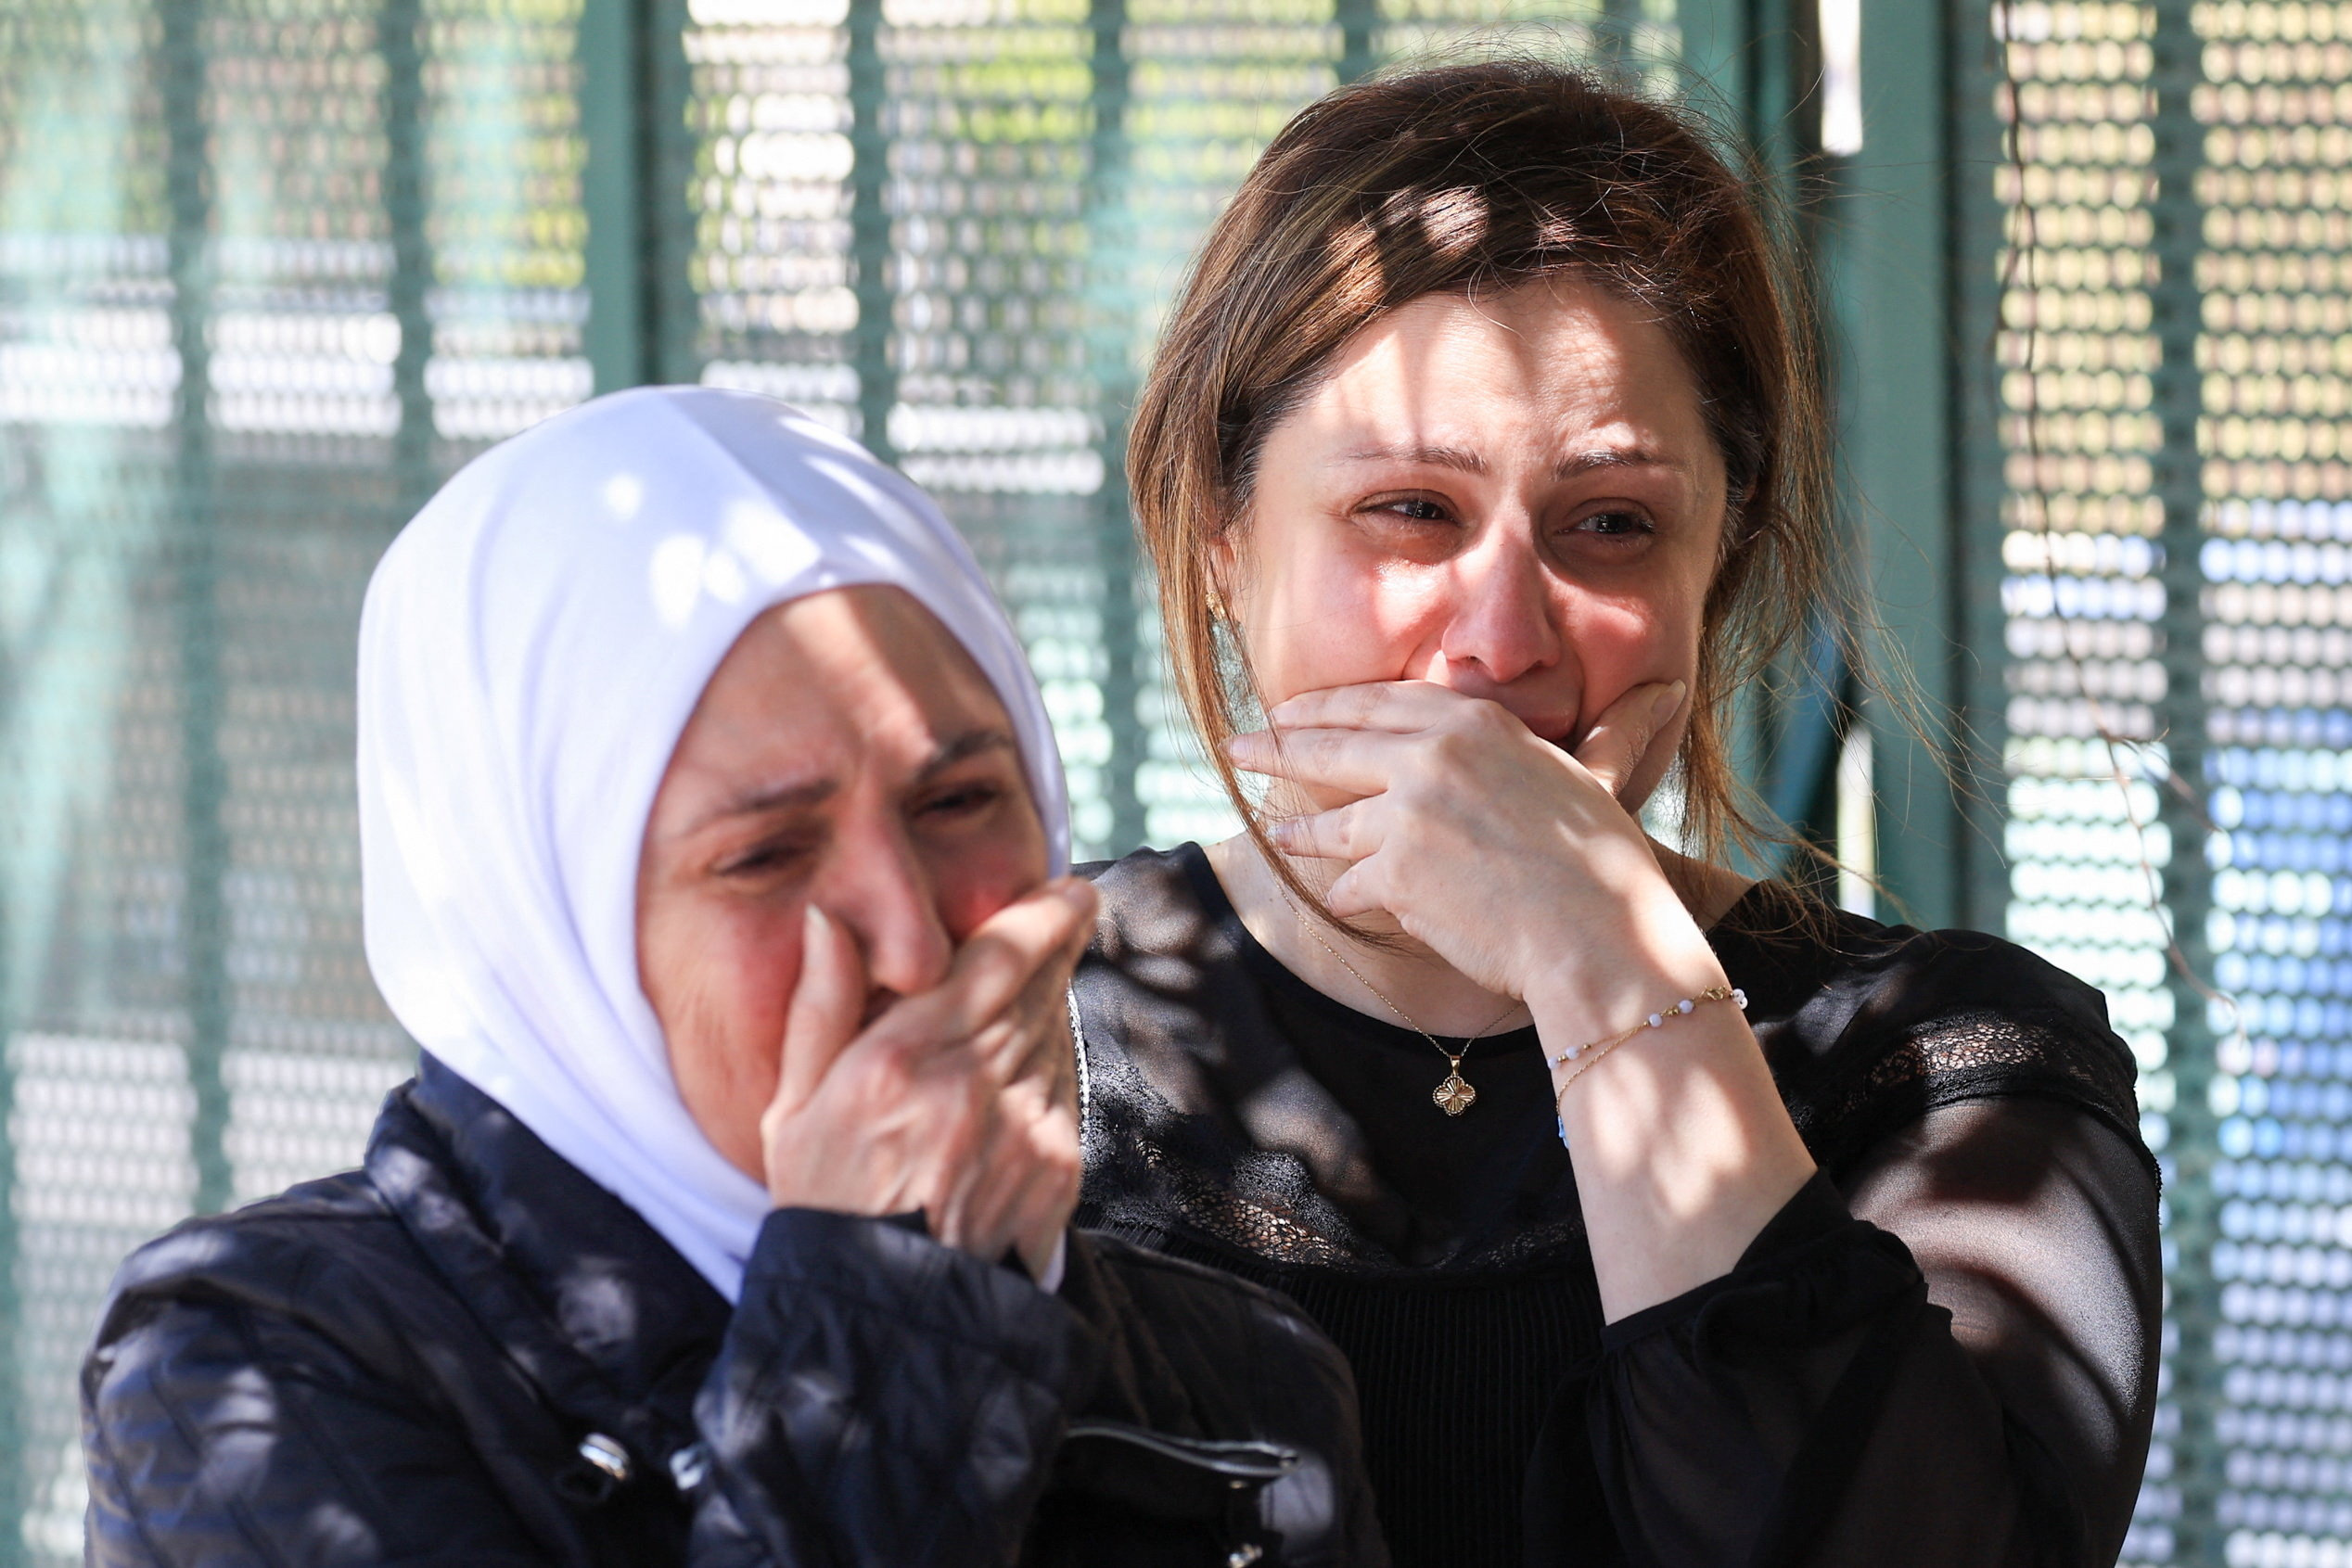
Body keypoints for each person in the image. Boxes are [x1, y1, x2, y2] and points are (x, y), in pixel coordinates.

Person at [1072, 59, 2162, 1568]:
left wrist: (1609, 968)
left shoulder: (1954, 1078)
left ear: (1717, 566)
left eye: (1610, 525)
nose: (1500, 638)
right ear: (1216, 535)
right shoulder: (1005, 1022)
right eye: (1410, 510)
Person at [79, 387, 1385, 1567]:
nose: (913, 941)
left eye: (961, 799)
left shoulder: (1240, 1384)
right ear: (551, 928)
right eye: (765, 853)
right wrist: (886, 1321)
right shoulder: (258, 1379)